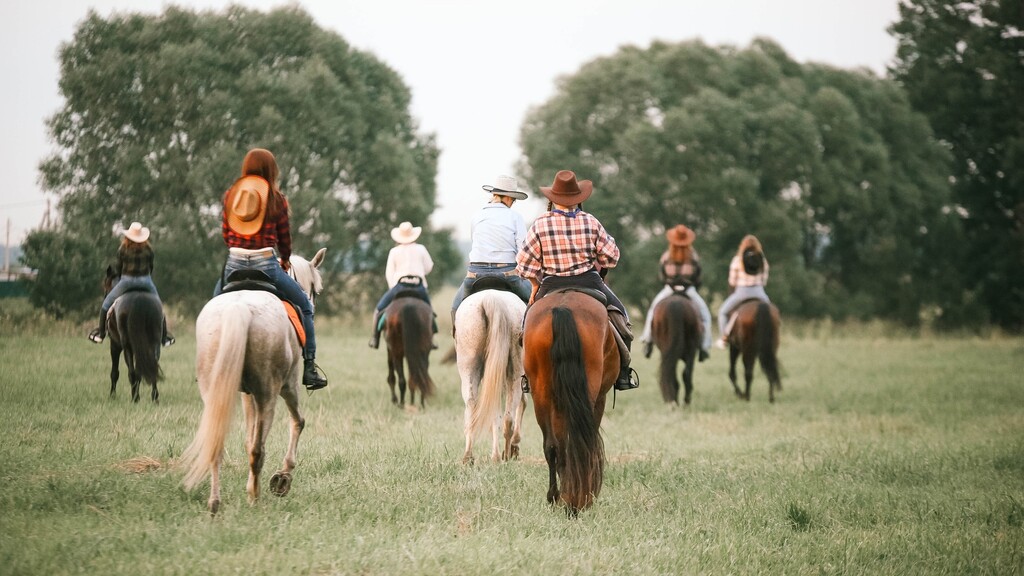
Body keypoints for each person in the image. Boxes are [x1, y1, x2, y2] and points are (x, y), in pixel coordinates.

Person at [212, 148, 327, 390]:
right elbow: (284, 240)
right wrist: (285, 260)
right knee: (305, 306)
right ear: (270, 170)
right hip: (266, 264)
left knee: (212, 308)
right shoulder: (277, 198)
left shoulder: (231, 195)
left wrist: (238, 248)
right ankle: (309, 367)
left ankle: (211, 361)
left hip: (233, 263)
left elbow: (225, 233)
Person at [516, 170, 638, 391]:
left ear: (552, 198)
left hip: (551, 284)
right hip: (589, 282)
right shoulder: (590, 221)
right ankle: (623, 374)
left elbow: (524, 263)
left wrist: (535, 284)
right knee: (622, 321)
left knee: (526, 327)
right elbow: (612, 256)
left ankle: (527, 377)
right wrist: (596, 257)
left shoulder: (540, 223)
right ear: (578, 198)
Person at [450, 175, 533, 331]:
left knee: (455, 306)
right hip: (508, 273)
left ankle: (457, 335)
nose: (512, 203)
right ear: (508, 198)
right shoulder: (515, 217)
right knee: (536, 304)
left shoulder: (477, 216)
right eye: (513, 200)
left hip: (475, 274)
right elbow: (523, 249)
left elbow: (476, 242)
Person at [88, 222, 175, 347]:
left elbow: (118, 268)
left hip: (127, 281)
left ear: (128, 236)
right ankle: (164, 337)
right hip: (145, 281)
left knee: (106, 304)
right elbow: (151, 267)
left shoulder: (123, 249)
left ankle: (101, 333)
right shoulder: (148, 249)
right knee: (159, 306)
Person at [639, 224, 712, 361]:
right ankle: (703, 347)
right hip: (689, 290)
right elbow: (697, 276)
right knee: (705, 315)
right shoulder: (693, 256)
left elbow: (662, 275)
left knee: (653, 311)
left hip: (669, 289)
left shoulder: (667, 256)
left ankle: (648, 341)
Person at [368, 221, 436, 349]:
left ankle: (375, 338)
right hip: (418, 285)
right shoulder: (421, 248)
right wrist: (419, 271)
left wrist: (393, 288)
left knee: (378, 310)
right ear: (414, 235)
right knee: (430, 312)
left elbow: (389, 273)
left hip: (400, 286)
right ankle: (431, 339)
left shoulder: (394, 251)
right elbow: (429, 267)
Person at [716, 234, 771, 348]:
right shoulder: (762, 260)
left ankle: (725, 338)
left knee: (722, 312)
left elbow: (732, 281)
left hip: (742, 292)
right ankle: (770, 337)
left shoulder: (737, 260)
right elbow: (764, 281)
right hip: (759, 292)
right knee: (770, 313)